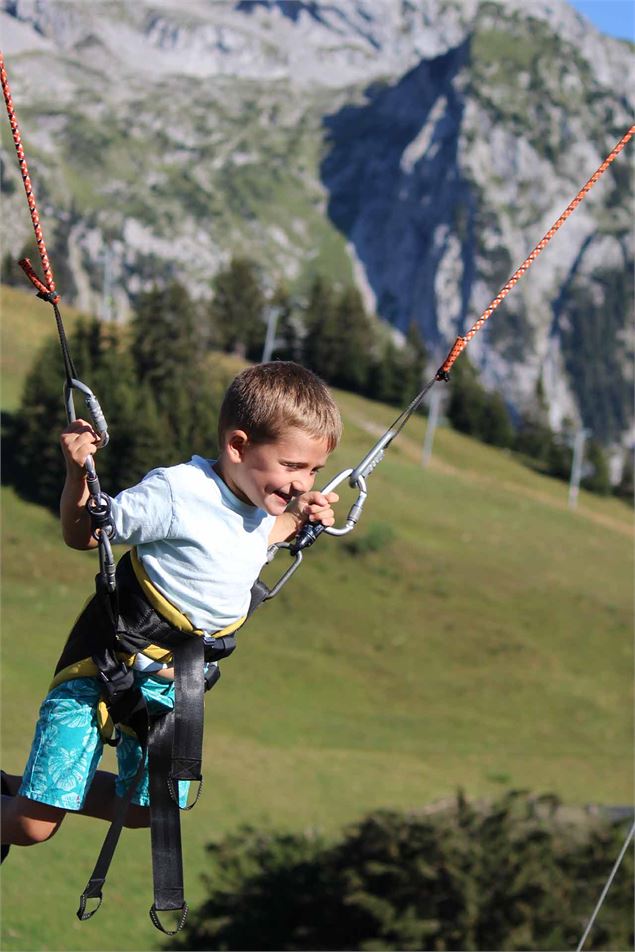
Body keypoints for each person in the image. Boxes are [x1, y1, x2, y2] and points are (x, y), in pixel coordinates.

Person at [1, 361, 342, 858]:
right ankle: (27, 802)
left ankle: (16, 785)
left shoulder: (258, 504)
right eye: (292, 467)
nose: (301, 481)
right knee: (33, 827)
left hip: (171, 682)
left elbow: (245, 542)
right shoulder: (178, 493)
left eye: (313, 471)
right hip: (103, 665)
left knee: (148, 809)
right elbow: (86, 532)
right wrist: (79, 472)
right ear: (238, 446)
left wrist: (299, 516)